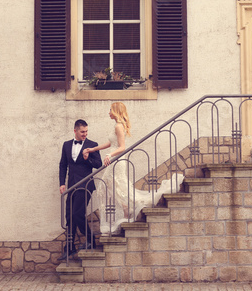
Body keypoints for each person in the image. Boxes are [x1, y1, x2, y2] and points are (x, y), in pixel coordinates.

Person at [83, 102, 184, 235]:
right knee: (113, 186)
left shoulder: (119, 126)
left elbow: (122, 147)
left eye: (110, 110)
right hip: (114, 160)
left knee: (116, 186)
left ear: (115, 111)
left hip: (117, 161)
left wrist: (110, 155)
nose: (108, 112)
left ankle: (127, 209)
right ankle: (126, 209)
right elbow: (111, 143)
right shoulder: (116, 126)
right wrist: (93, 149)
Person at [59, 119, 102, 259]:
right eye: (82, 131)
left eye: (86, 131)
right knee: (69, 216)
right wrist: (62, 183)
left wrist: (87, 158)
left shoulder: (92, 145)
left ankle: (90, 241)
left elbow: (98, 164)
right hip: (71, 185)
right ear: (75, 131)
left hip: (85, 185)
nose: (85, 134)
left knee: (77, 214)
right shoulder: (66, 145)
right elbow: (63, 165)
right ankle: (69, 247)